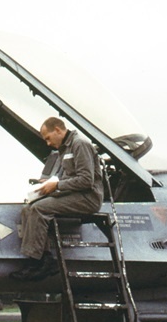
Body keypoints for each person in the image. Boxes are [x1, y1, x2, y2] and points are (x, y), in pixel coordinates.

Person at [10, 117, 104, 281]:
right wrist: (49, 183)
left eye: (48, 138)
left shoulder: (80, 144)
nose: (47, 143)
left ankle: (37, 263)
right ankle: (43, 259)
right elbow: (67, 177)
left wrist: (56, 185)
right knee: (28, 208)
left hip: (88, 198)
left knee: (39, 209)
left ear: (58, 130)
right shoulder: (64, 148)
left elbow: (86, 180)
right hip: (74, 194)